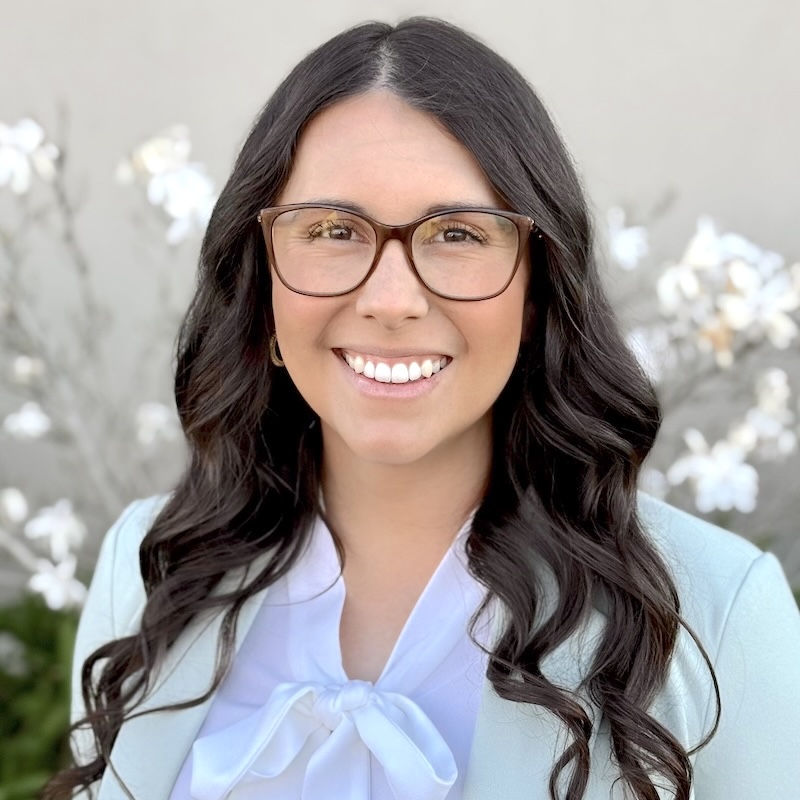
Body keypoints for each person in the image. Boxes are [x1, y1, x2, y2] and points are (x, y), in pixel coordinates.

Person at [45, 17, 800, 800]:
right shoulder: (151, 567)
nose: (391, 300)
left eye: (457, 234)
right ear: (260, 289)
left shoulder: (717, 610)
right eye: (334, 229)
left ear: (537, 292)